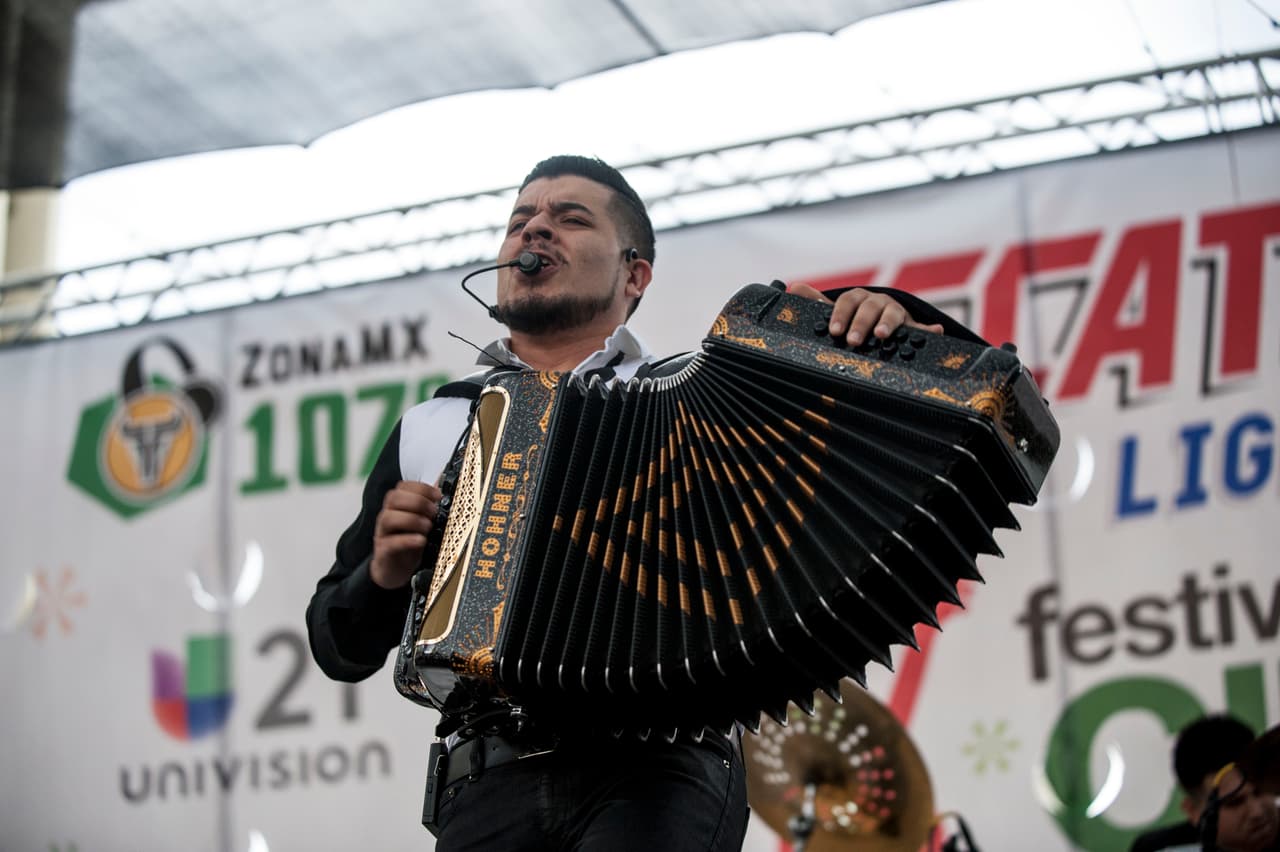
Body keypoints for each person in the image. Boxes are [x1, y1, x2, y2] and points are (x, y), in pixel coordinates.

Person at [305, 154, 979, 851]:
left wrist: (884, 323)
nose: (536, 229)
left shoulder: (703, 395)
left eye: (569, 219)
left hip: (663, 765)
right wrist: (382, 575)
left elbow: (940, 403)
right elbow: (336, 644)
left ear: (635, 274)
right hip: (484, 781)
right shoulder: (433, 424)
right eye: (520, 221)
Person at [1131, 714, 1280, 852]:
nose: (1257, 812)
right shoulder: (1160, 848)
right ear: (1193, 812)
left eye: (1260, 792)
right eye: (1234, 802)